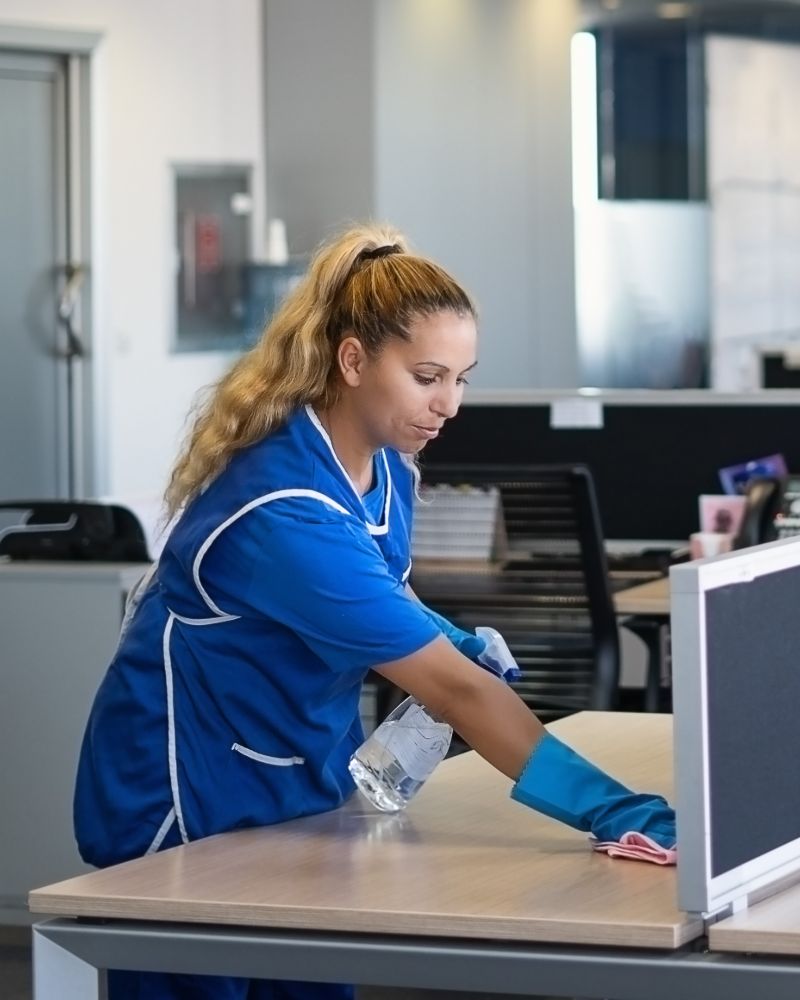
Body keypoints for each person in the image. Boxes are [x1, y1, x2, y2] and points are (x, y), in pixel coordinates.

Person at [74, 223, 675, 1000]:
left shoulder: (385, 463)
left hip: (296, 783)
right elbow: (456, 693)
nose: (449, 404)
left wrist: (444, 634)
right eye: (428, 376)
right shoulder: (282, 513)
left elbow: (376, 589)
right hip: (189, 804)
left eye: (462, 378)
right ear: (352, 359)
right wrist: (616, 811)